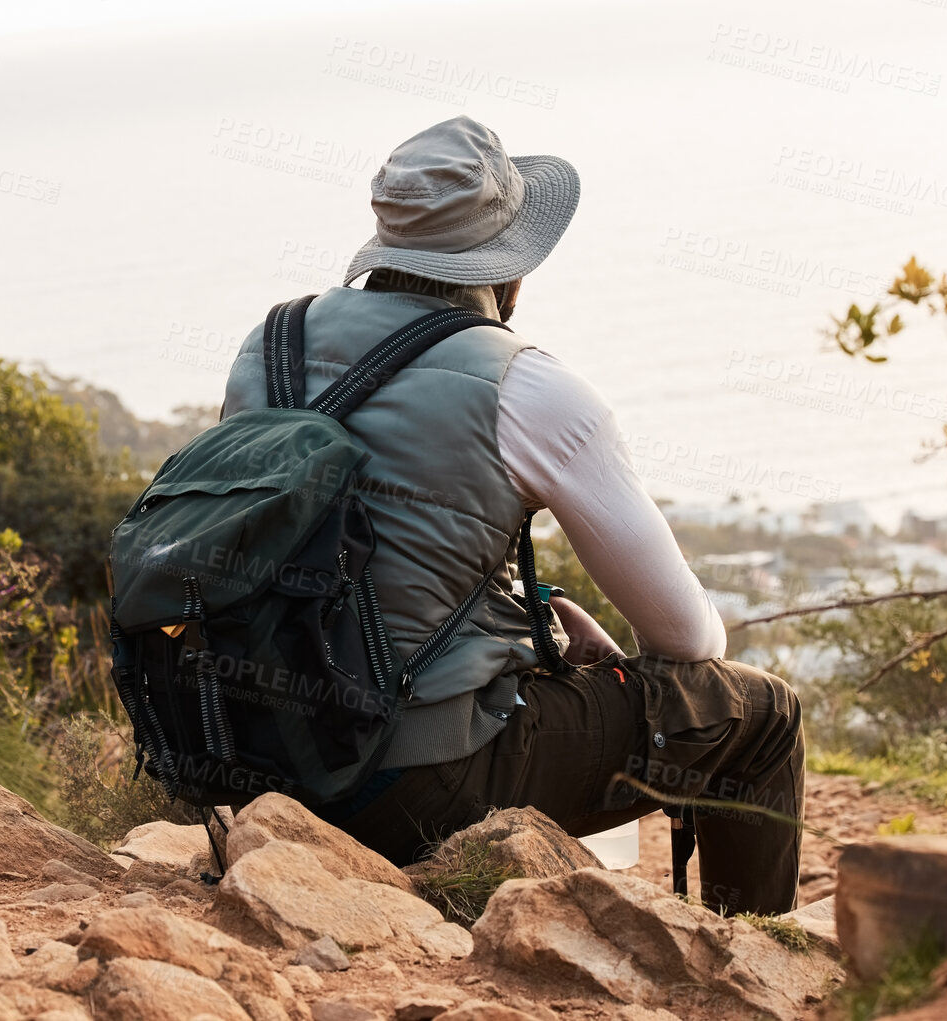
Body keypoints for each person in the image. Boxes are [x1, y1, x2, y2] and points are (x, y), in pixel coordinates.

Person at [217, 116, 803, 915]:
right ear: (513, 268)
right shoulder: (526, 386)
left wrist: (526, 623)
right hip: (407, 783)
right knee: (758, 712)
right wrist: (571, 659)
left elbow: (329, 552)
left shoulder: (270, 343)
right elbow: (689, 641)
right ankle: (750, 960)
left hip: (248, 754)